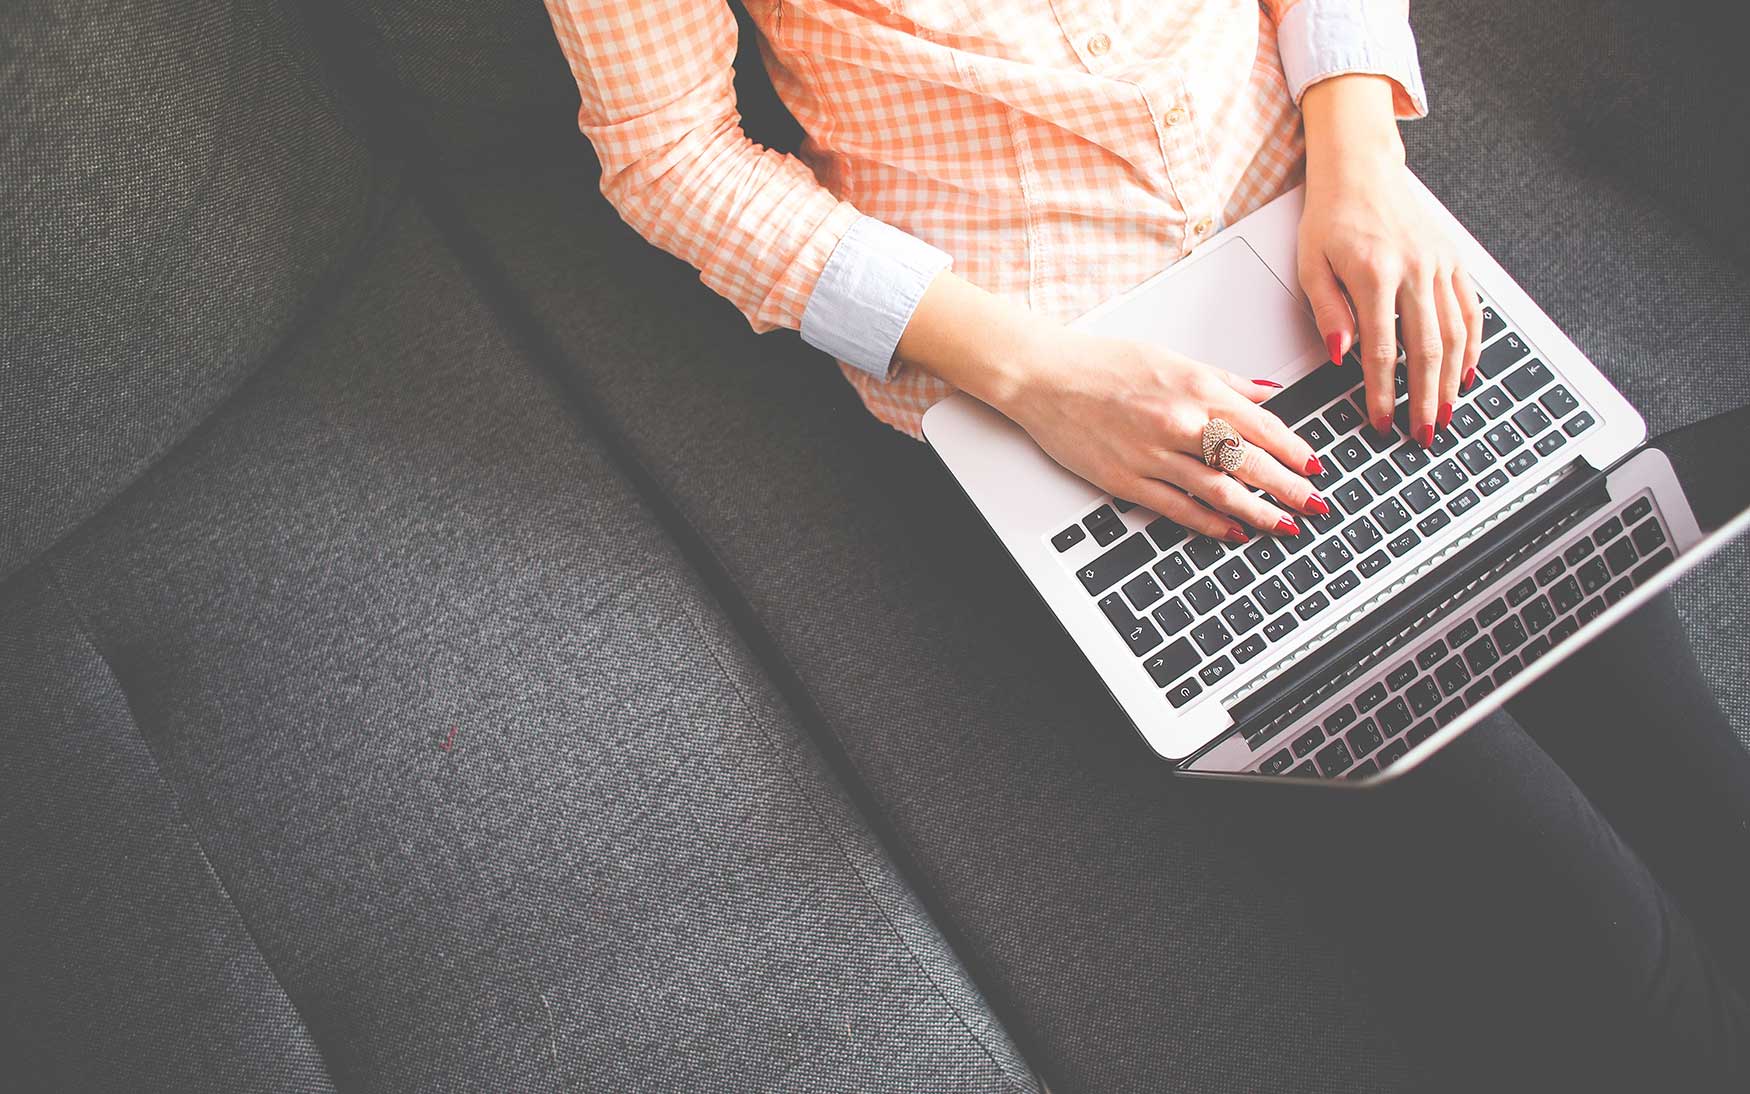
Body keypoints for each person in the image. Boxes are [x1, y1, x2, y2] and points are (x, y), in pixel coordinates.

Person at [543, 0, 1750, 1083]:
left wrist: (1364, 158)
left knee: (1694, 781)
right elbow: (671, 154)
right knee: (1604, 946)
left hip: (1324, 244)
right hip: (1062, 386)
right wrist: (1041, 375)